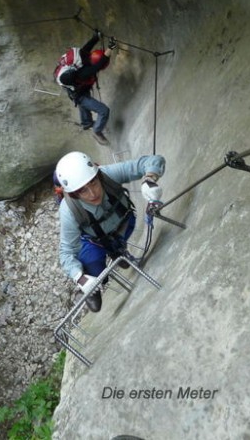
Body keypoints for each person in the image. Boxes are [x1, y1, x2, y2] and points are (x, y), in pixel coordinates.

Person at [55, 151, 165, 312]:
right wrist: (80, 278)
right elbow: (66, 252)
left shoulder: (107, 175)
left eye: (93, 183)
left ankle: (118, 252)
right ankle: (94, 287)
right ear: (74, 194)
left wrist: (149, 179)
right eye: (83, 191)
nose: (93, 193)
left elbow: (153, 161)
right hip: (95, 240)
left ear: (97, 175)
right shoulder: (69, 210)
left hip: (123, 224)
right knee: (92, 263)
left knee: (118, 246)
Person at [57, 31, 117, 146]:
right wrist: (110, 48)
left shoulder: (80, 59)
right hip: (79, 94)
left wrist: (96, 37)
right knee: (104, 111)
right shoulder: (82, 72)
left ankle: (87, 123)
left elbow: (86, 48)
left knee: (82, 100)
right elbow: (98, 65)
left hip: (75, 90)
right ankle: (96, 131)